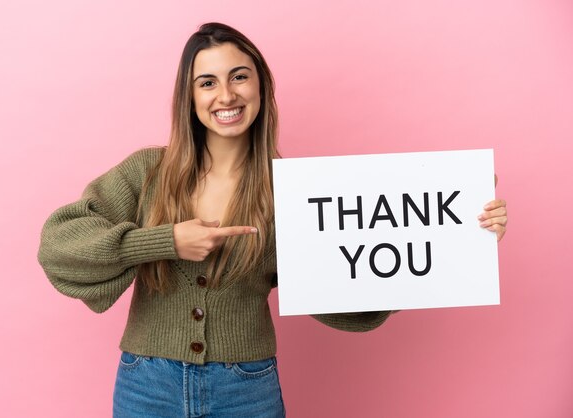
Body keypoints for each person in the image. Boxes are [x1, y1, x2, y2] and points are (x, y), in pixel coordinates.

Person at [37, 22, 508, 418]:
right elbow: (60, 245)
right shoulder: (147, 171)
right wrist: (163, 242)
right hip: (146, 384)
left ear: (260, 84)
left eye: (239, 76)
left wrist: (455, 241)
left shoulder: (291, 191)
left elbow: (345, 300)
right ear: (190, 96)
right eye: (207, 82)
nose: (226, 94)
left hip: (247, 387)